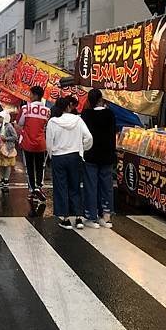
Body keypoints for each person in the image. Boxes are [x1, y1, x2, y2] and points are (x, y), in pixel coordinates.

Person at [46, 97, 93, 230]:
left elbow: (49, 143)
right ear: (68, 107)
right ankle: (78, 218)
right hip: (75, 156)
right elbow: (89, 137)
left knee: (61, 187)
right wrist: (83, 148)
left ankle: (65, 219)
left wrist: (51, 155)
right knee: (75, 187)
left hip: (58, 157)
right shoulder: (78, 120)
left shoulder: (53, 122)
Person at [81, 89, 116, 228]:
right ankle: (106, 217)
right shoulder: (110, 114)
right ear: (101, 99)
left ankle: (92, 217)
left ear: (89, 100)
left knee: (91, 185)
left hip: (91, 155)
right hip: (107, 155)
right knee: (107, 186)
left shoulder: (86, 115)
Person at [16, 86, 50, 201]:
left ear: (35, 95)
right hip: (41, 143)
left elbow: (20, 123)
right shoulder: (47, 111)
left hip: (27, 143)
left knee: (29, 167)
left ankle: (32, 190)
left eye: (30, 94)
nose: (29, 96)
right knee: (40, 167)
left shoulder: (25, 108)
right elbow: (45, 126)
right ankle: (39, 187)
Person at [0, 111, 18, 189]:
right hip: (0, 147)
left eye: (0, 117)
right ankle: (1, 179)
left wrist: (6, 139)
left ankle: (6, 179)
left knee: (7, 164)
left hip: (8, 148)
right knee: (1, 165)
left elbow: (15, 137)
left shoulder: (9, 126)